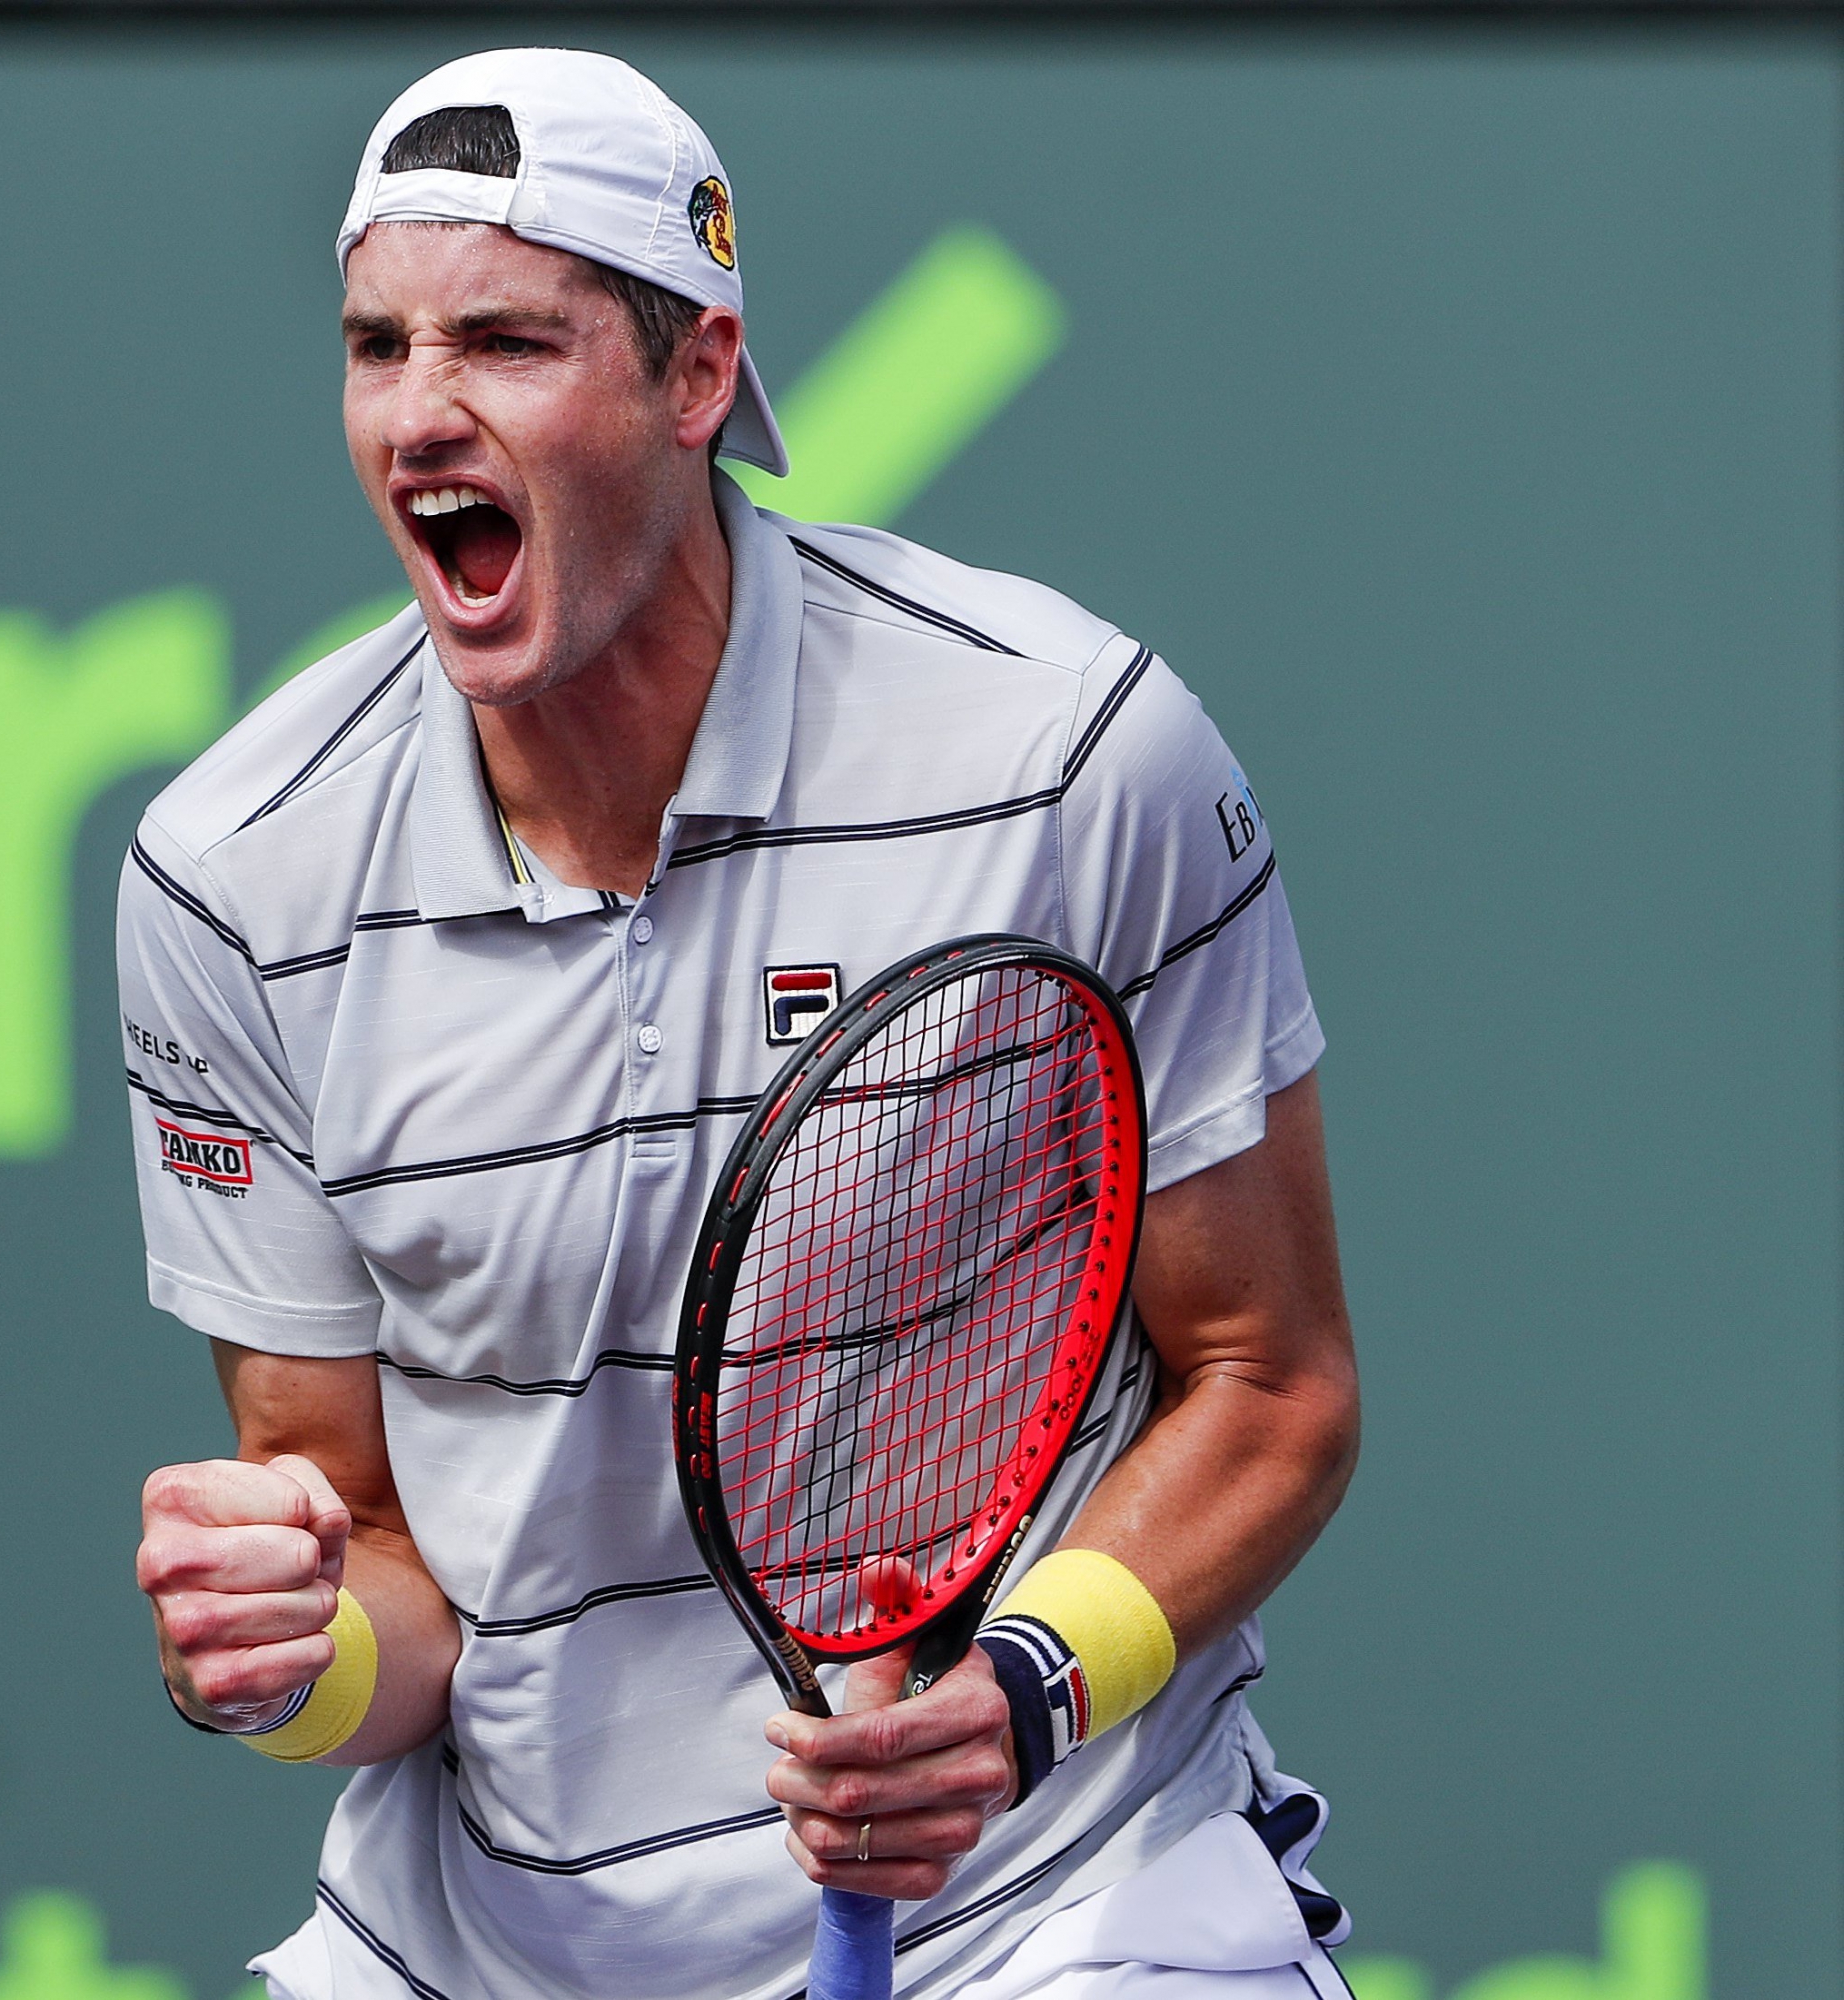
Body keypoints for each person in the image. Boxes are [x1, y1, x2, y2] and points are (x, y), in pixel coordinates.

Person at [123, 47, 1361, 2000]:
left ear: (696, 376)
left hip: (1052, 1902)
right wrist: (284, 1656)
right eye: (378, 346)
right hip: (490, 1940)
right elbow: (373, 1562)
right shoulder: (231, 876)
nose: (422, 412)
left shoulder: (1067, 755)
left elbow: (1269, 1384)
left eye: (510, 344)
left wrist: (1022, 1698)